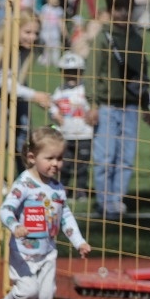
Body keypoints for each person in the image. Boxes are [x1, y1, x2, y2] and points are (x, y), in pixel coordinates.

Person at [0, 127, 91, 299]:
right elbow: (5, 209)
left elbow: (65, 216)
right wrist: (15, 226)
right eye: (50, 158)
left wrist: (79, 242)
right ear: (32, 157)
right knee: (28, 290)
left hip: (47, 252)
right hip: (23, 252)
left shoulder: (57, 188)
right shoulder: (24, 183)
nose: (55, 163)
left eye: (60, 158)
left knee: (46, 294)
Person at [88, 0, 149, 219]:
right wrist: (93, 104)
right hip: (107, 105)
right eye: (117, 8)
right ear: (110, 10)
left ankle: (116, 200)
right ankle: (103, 201)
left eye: (126, 9)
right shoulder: (103, 37)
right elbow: (92, 72)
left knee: (126, 158)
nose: (122, 13)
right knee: (105, 157)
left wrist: (145, 103)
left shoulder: (136, 38)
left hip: (131, 106)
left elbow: (142, 74)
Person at [0, 9, 51, 196]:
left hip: (18, 95)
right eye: (27, 32)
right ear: (14, 29)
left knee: (24, 135)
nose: (33, 37)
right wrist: (34, 95)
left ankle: (25, 176)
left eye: (36, 33)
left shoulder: (26, 49)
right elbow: (1, 81)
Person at [48, 51, 92, 201]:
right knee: (64, 165)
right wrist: (55, 114)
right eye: (68, 72)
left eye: (75, 72)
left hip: (84, 134)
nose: (71, 76)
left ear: (82, 72)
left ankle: (80, 191)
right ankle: (63, 189)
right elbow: (52, 106)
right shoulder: (60, 91)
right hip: (65, 134)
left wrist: (90, 114)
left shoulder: (85, 90)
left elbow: (92, 107)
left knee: (82, 166)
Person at [37, 0, 67, 66]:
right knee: (46, 46)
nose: (54, 0)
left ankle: (56, 60)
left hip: (55, 32)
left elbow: (61, 21)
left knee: (56, 46)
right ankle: (46, 60)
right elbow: (41, 17)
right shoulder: (45, 8)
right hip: (45, 31)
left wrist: (63, 30)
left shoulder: (59, 10)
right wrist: (40, 26)